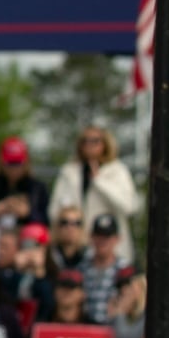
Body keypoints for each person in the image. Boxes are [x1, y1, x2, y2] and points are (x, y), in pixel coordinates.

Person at [50, 125, 141, 261]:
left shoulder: (117, 171)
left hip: (109, 246)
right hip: (76, 247)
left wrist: (100, 181)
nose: (89, 145)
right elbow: (54, 210)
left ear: (105, 144)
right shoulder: (69, 172)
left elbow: (129, 206)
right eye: (85, 141)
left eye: (95, 141)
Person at [0, 136, 51, 260]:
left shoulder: (37, 188)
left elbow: (45, 223)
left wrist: (27, 214)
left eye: (18, 163)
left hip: (24, 238)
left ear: (26, 163)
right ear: (2, 163)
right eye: (10, 163)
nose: (14, 168)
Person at [80, 215, 130, 325]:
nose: (102, 241)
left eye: (107, 236)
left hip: (115, 330)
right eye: (98, 235)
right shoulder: (81, 268)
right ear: (91, 237)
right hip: (85, 328)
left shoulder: (126, 270)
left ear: (117, 239)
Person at [50, 206, 89, 271]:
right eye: (64, 222)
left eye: (77, 223)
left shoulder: (90, 258)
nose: (70, 228)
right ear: (57, 227)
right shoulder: (48, 257)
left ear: (82, 228)